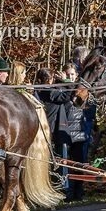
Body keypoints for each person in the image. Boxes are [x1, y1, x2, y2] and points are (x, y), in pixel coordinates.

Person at [37, 66, 88, 201]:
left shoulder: (49, 90)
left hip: (58, 132)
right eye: (52, 78)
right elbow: (66, 96)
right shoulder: (45, 90)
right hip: (53, 132)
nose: (54, 80)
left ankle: (65, 190)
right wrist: (65, 81)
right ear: (48, 79)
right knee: (58, 163)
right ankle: (61, 189)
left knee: (62, 162)